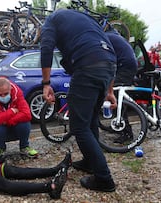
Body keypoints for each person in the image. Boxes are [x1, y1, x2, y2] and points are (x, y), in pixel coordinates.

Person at [40, 9, 116, 192]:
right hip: (108, 65)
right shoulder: (85, 19)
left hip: (87, 67)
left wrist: (46, 83)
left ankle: (104, 179)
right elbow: (107, 51)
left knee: (79, 127)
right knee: (90, 121)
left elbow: (46, 48)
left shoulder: (51, 21)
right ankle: (90, 162)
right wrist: (110, 90)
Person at [0, 77, 38, 157]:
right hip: (1, 130)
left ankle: (24, 146)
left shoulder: (18, 93)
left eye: (6, 93)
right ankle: (1, 148)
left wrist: (6, 120)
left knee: (24, 123)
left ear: (10, 89)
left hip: (15, 127)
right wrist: (12, 111)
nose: (3, 96)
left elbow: (27, 114)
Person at [105, 29, 138, 144]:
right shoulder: (113, 35)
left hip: (125, 66)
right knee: (114, 92)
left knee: (117, 95)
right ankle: (117, 124)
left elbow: (108, 60)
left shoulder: (105, 37)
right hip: (127, 64)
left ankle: (127, 133)